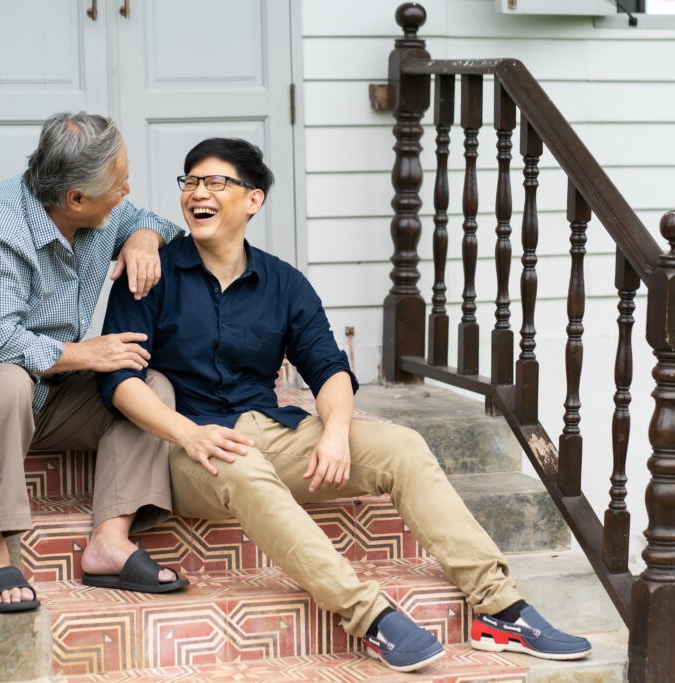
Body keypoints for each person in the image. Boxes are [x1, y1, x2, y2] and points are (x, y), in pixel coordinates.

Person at [95, 138, 592, 672]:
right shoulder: (153, 272)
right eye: (190, 182)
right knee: (245, 469)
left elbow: (329, 367)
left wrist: (334, 432)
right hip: (188, 445)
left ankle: (501, 608)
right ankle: (372, 617)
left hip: (271, 429)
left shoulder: (284, 283)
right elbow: (120, 379)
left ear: (253, 200)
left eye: (216, 182)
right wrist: (188, 434)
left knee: (401, 446)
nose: (199, 193)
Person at [0, 112, 189, 614]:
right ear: (76, 198)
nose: (127, 188)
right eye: (119, 183)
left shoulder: (98, 212)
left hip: (51, 394)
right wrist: (85, 353)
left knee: (148, 386)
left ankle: (109, 540)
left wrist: (145, 238)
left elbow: (147, 219)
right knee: (9, 382)